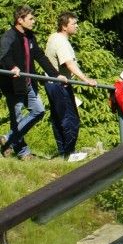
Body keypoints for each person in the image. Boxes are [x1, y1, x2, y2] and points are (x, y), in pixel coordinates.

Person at [0, 6, 63, 159]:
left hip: (28, 83)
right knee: (17, 118)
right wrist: (12, 67)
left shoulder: (29, 36)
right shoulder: (9, 36)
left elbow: (40, 57)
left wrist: (56, 75)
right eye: (30, 19)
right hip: (13, 85)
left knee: (38, 111)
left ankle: (7, 139)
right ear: (19, 20)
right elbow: (3, 56)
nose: (34, 21)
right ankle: (23, 152)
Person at [45, 12, 96, 160]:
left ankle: (64, 154)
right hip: (60, 85)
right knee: (70, 120)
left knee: (59, 119)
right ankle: (69, 154)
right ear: (64, 26)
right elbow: (69, 64)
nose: (77, 26)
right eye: (73, 24)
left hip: (52, 84)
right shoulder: (61, 41)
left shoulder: (54, 37)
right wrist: (86, 79)